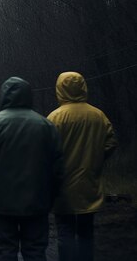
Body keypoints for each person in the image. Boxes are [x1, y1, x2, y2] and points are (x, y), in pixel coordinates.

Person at [0, 77, 63, 261]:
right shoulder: (46, 126)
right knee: (36, 251)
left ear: (3, 96)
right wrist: (51, 197)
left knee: (5, 251)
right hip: (37, 202)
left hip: (1, 204)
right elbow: (58, 167)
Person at [47, 72, 118, 261]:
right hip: (89, 184)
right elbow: (110, 143)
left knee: (65, 232)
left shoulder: (55, 118)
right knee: (86, 233)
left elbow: (46, 150)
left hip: (63, 187)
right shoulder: (97, 115)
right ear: (83, 87)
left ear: (60, 88)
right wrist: (96, 159)